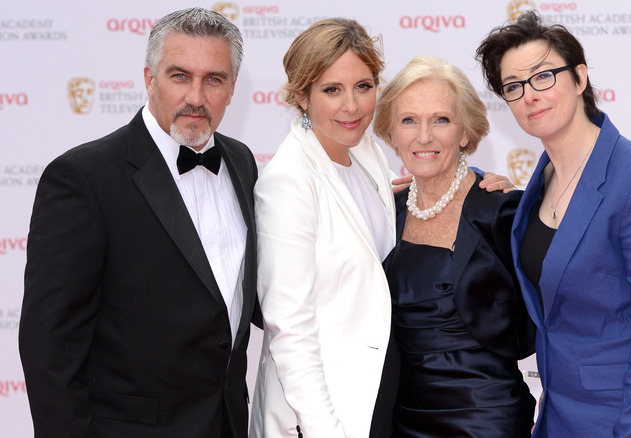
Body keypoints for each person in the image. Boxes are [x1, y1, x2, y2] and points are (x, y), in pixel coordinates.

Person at [249, 18, 513, 438]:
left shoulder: (367, 152)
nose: (351, 106)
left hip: (385, 404)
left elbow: (433, 181)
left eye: (363, 86)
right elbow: (290, 331)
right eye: (331, 90)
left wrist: (476, 184)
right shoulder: (288, 182)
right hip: (321, 415)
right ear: (302, 95)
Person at [475, 11, 631, 437]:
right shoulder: (541, 181)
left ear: (579, 77)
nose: (529, 96)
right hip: (561, 413)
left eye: (543, 77)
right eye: (513, 87)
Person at [19, 8, 258, 438]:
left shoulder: (241, 162)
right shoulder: (83, 177)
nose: (197, 97)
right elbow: (50, 348)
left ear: (233, 88)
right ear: (149, 78)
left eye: (214, 79)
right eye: (180, 76)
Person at [372, 56, 536, 437]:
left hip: (486, 419)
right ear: (392, 133)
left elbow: (548, 318)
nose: (423, 136)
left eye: (441, 120)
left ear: (464, 132)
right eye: (409, 120)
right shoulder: (381, 211)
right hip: (402, 421)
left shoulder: (500, 208)